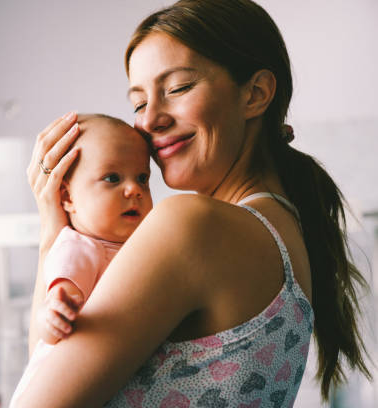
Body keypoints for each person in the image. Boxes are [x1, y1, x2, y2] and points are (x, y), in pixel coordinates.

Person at [19, 1, 371, 407]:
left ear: (255, 94)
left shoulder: (192, 224)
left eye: (178, 88)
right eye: (138, 103)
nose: (150, 120)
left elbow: (38, 394)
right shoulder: (285, 224)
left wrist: (54, 230)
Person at [10, 114, 153, 407]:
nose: (134, 189)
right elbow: (60, 302)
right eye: (112, 178)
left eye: (142, 177)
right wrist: (55, 314)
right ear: (68, 197)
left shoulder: (138, 245)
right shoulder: (81, 249)